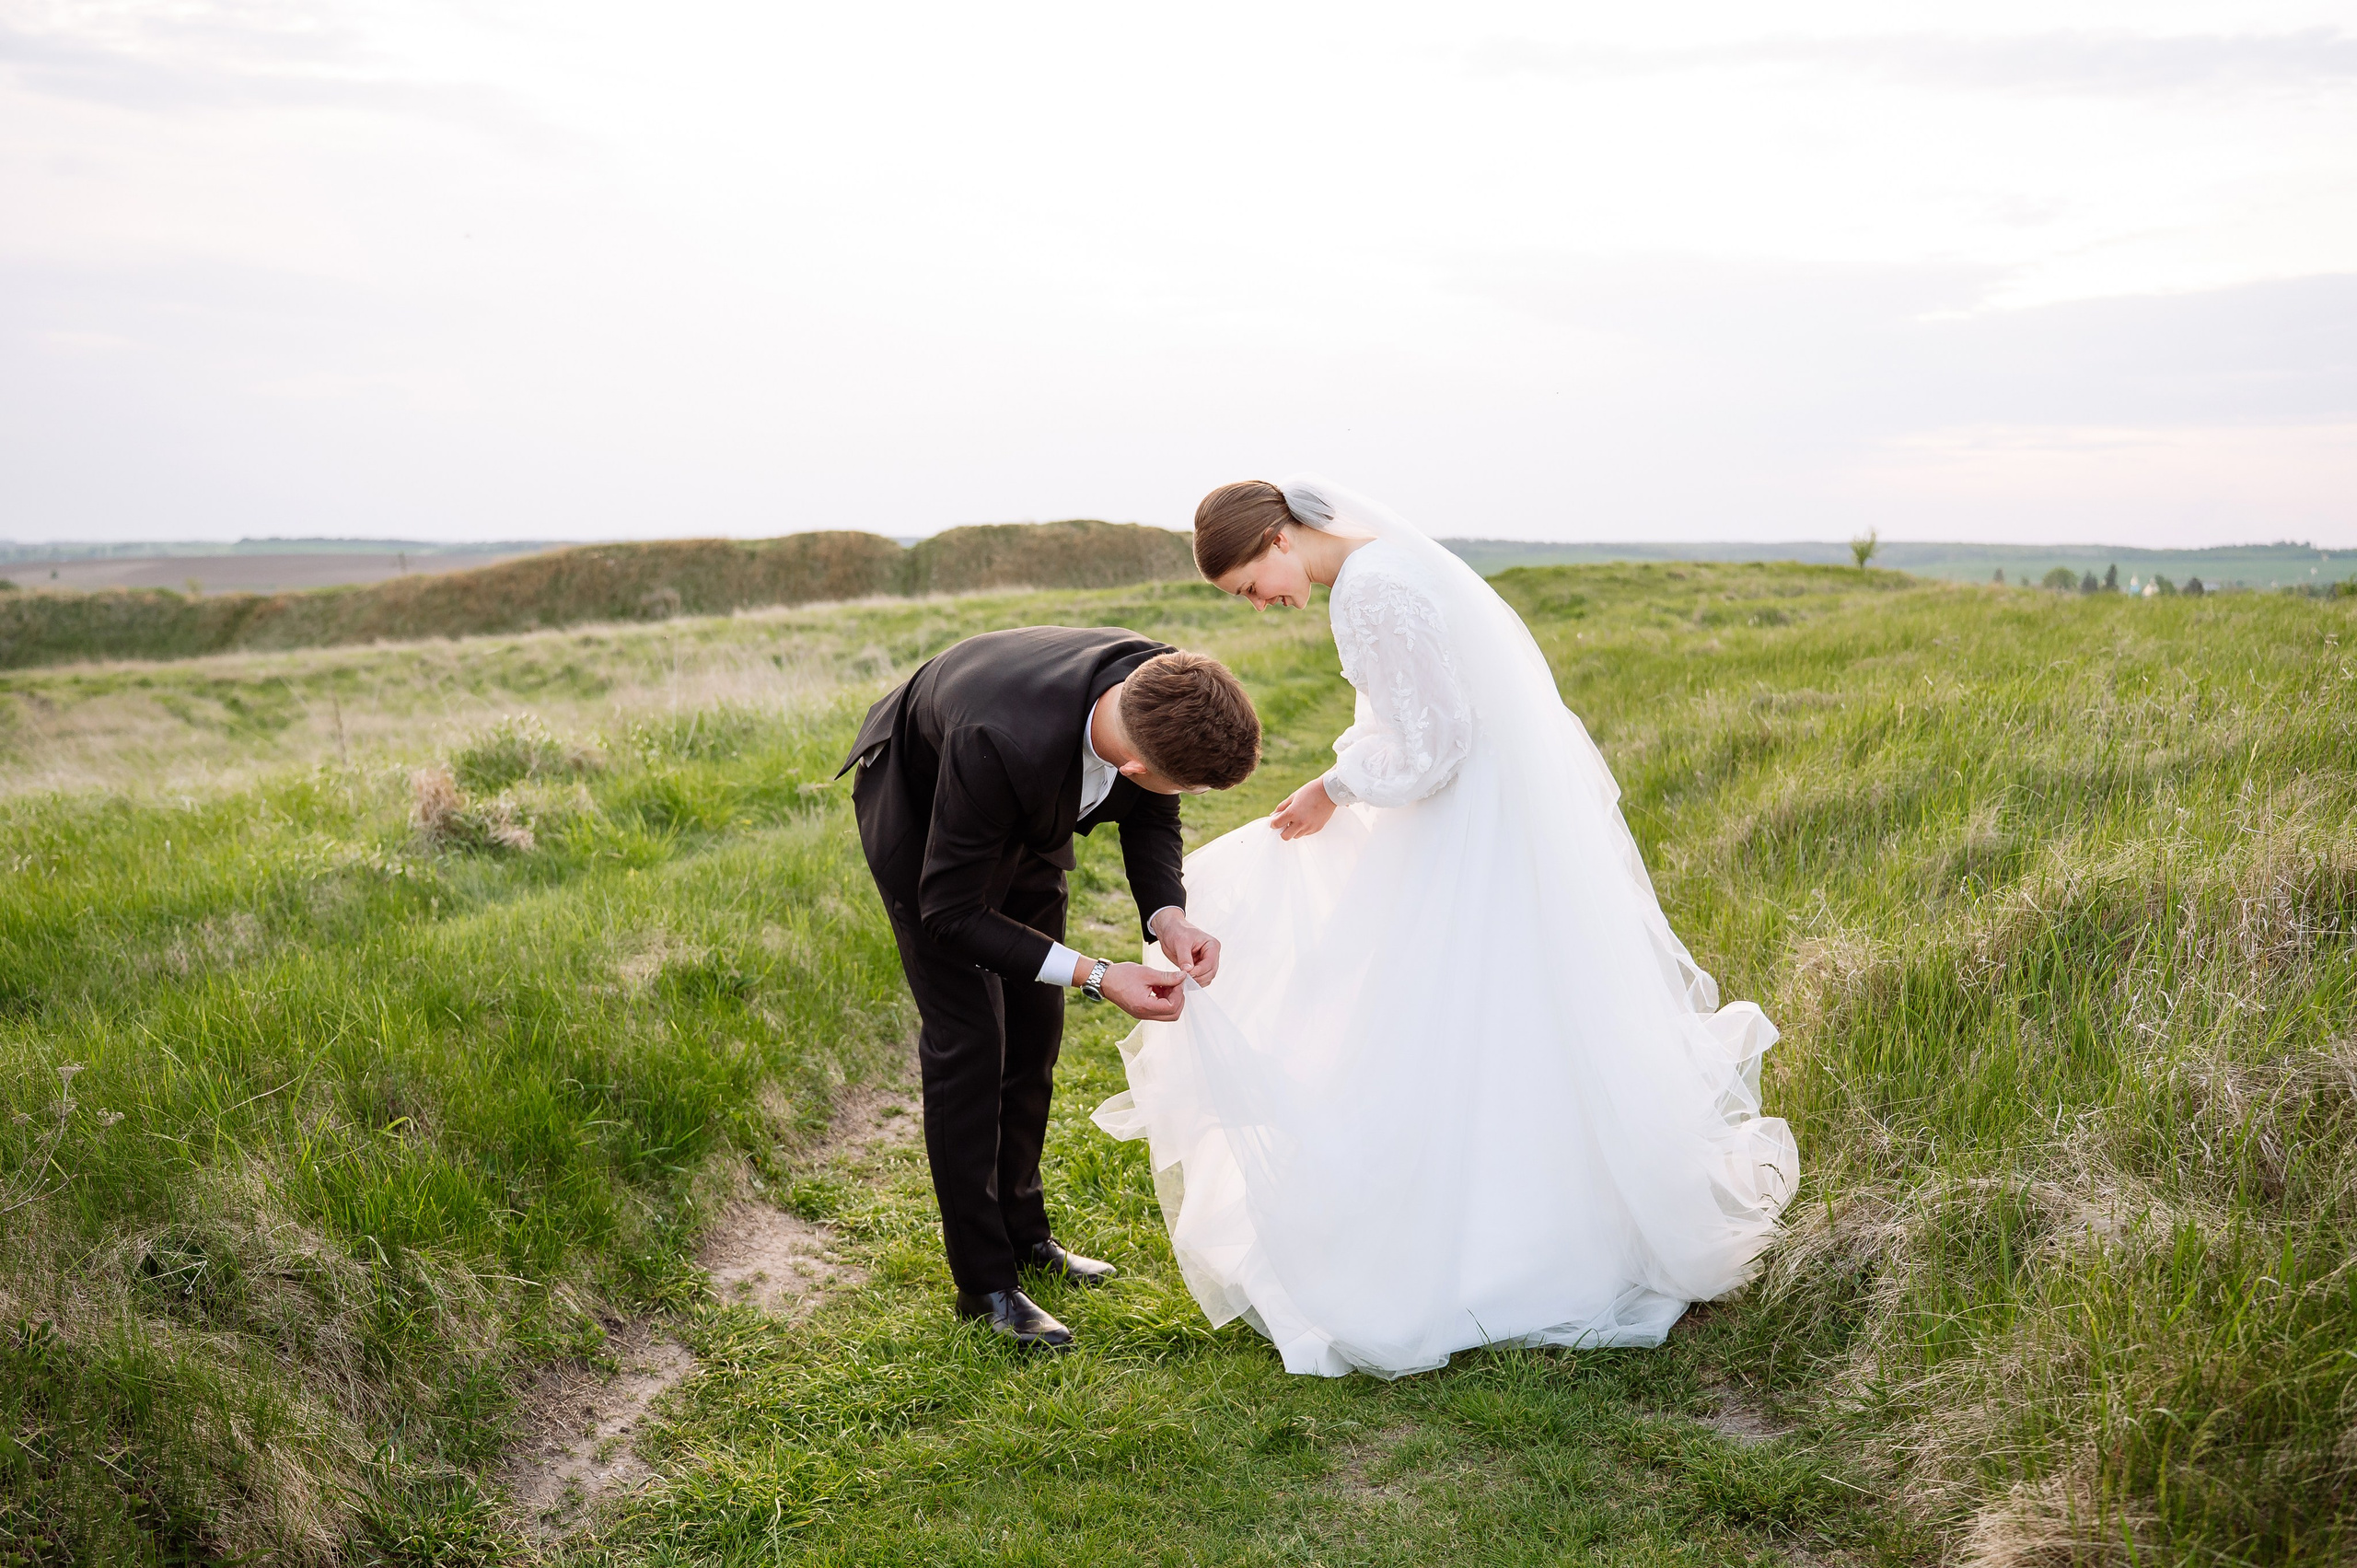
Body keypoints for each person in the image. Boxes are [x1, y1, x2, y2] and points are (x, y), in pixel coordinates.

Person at [1095, 477, 1797, 1377]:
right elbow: (1424, 720)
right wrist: (1350, 773)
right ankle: (1534, 1213)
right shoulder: (1385, 568)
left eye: (1247, 586)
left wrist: (1332, 787)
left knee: (1450, 1006)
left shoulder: (1372, 588)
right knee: (1508, 1008)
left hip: (1466, 823)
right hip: (1485, 813)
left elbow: (1433, 745)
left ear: (1277, 540)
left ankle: (1489, 1245)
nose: (1260, 605)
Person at [841, 627, 1260, 1348]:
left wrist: (1168, 917)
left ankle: (1027, 1235)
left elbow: (1154, 813)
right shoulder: (999, 739)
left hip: (1025, 811)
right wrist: (1099, 975)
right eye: (1183, 783)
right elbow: (952, 912)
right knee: (972, 1038)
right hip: (925, 816)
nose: (1182, 797)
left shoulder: (1162, 685)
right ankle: (985, 1284)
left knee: (1035, 1029)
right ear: (1130, 764)